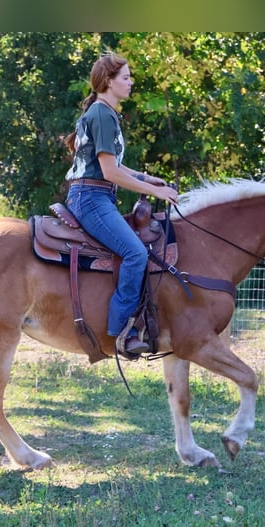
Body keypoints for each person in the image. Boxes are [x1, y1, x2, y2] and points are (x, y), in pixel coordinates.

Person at [64, 52, 178, 355]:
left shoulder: (106, 113)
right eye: (125, 77)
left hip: (96, 195)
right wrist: (157, 194)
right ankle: (122, 330)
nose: (131, 82)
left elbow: (117, 167)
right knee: (136, 253)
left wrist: (148, 179)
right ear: (108, 81)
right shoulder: (102, 114)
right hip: (90, 198)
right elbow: (109, 171)